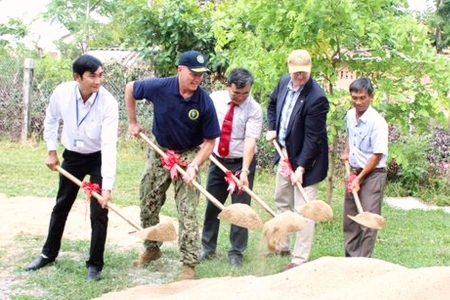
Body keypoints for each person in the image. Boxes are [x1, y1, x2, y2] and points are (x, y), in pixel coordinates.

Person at [125, 50, 220, 280]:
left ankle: (189, 263)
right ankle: (152, 248)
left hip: (188, 154)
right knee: (148, 199)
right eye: (193, 74)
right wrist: (133, 122)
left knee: (187, 209)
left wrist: (194, 166)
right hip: (160, 150)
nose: (197, 79)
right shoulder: (160, 87)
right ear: (180, 70)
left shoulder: (204, 102)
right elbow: (130, 88)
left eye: (201, 75)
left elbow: (210, 142)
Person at [24, 54, 119, 281]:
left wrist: (106, 187)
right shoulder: (62, 93)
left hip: (97, 157)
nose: (98, 81)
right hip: (73, 158)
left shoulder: (109, 103)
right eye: (92, 76)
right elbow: (51, 119)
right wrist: (51, 151)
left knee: (99, 212)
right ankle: (48, 253)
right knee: (61, 205)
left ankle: (95, 265)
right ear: (77, 77)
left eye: (101, 75)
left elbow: (108, 145)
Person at [266, 49, 329, 271]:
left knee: (304, 210)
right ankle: (282, 245)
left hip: (308, 161)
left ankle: (299, 259)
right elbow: (272, 104)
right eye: (296, 73)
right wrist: (272, 128)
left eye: (304, 73)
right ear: (289, 70)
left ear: (310, 70)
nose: (300, 77)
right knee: (282, 199)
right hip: (285, 154)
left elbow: (313, 139)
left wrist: (301, 167)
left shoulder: (317, 98)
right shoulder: (284, 82)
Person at [200, 68, 263, 268]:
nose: (241, 98)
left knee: (241, 208)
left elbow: (250, 141)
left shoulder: (254, 109)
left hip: (241, 162)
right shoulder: (214, 99)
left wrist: (244, 170)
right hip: (218, 160)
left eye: (246, 93)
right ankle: (207, 248)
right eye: (237, 93)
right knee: (213, 204)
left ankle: (236, 252)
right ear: (228, 85)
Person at [340, 77, 388, 257]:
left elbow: (377, 155)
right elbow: (350, 137)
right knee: (351, 218)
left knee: (368, 219)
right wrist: (346, 152)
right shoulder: (350, 116)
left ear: (371, 97)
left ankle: (363, 262)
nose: (358, 102)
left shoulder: (377, 123)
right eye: (354, 98)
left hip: (373, 175)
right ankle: (351, 259)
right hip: (353, 171)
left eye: (362, 98)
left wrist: (359, 180)